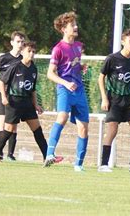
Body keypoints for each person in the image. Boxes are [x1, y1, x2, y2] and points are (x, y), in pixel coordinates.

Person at [0, 41, 50, 162]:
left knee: (37, 130)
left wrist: (36, 104)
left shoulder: (33, 68)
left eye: (33, 52)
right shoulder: (15, 66)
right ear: (22, 52)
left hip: (27, 103)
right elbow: (2, 82)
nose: (31, 54)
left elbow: (32, 89)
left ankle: (47, 157)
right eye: (29, 51)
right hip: (14, 102)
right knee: (8, 130)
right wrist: (4, 97)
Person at [44, 11, 89, 172]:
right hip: (65, 89)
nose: (76, 27)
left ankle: (78, 164)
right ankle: (49, 154)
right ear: (64, 29)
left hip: (79, 91)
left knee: (83, 127)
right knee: (62, 116)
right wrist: (66, 83)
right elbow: (50, 73)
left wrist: (81, 67)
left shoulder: (78, 46)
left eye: (76, 24)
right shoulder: (58, 49)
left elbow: (74, 65)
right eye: (72, 25)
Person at [97, 29, 130, 173]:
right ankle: (104, 164)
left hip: (129, 100)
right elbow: (101, 77)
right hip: (114, 100)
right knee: (112, 130)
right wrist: (104, 98)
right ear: (123, 42)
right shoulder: (112, 59)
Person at [0, 31, 26, 161]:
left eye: (22, 42)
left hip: (17, 97)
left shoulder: (23, 59)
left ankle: (10, 154)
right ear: (12, 43)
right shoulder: (4, 58)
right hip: (4, 95)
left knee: (13, 125)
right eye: (18, 41)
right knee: (2, 124)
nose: (20, 44)